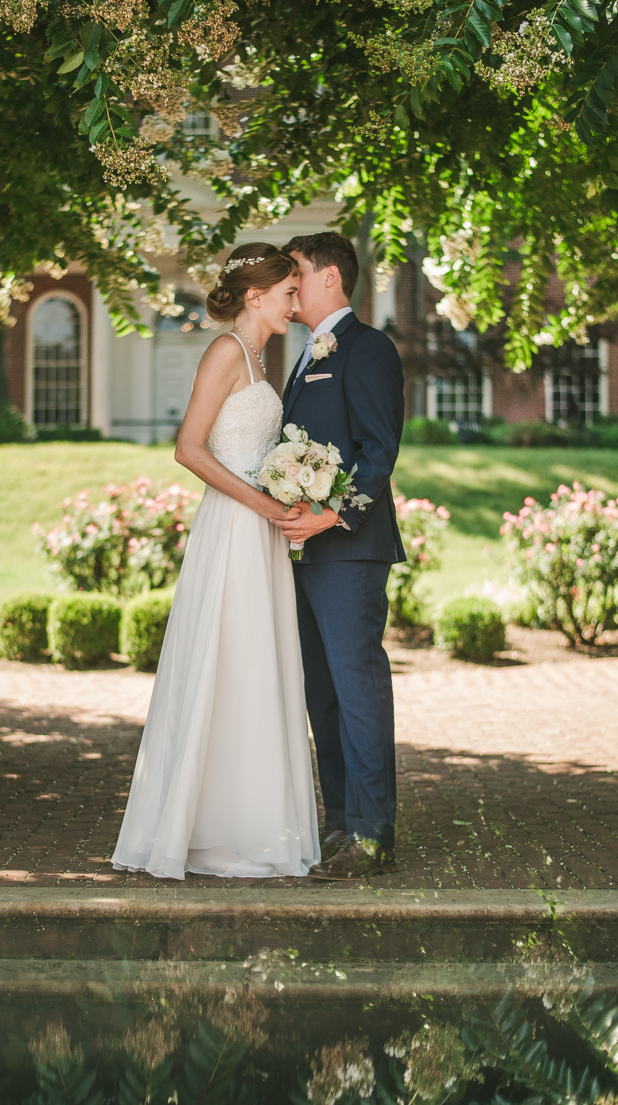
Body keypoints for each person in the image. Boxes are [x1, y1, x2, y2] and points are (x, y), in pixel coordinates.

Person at [111, 243, 320, 879]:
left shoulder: (261, 357)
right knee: (225, 662)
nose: (295, 303)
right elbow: (189, 449)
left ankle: (245, 822)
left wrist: (291, 491)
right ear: (255, 296)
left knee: (253, 667)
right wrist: (264, 501)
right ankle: (203, 831)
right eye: (288, 292)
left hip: (259, 528)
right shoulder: (228, 351)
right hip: (233, 529)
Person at [272, 232, 405, 880]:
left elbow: (379, 448)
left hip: (350, 552)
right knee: (320, 694)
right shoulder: (303, 356)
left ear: (329, 277)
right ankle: (336, 825)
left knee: (357, 691)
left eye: (295, 271)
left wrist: (332, 513)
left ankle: (373, 834)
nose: (288, 283)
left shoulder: (367, 348)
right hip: (303, 555)